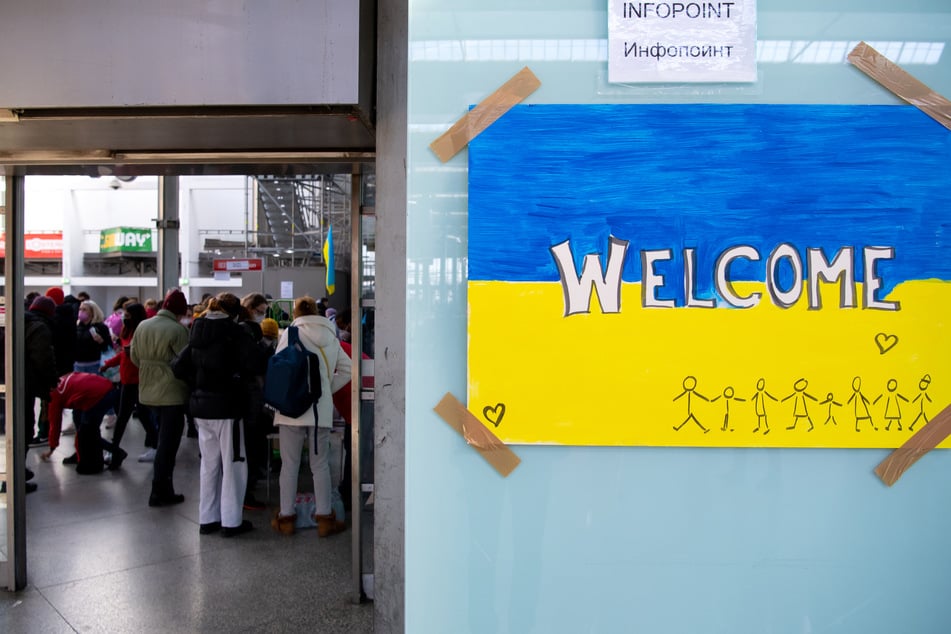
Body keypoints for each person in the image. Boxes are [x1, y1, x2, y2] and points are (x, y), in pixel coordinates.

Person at [271, 297, 351, 537]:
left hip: (290, 409)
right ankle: (325, 519)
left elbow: (279, 366)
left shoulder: (289, 333)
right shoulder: (330, 335)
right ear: (317, 312)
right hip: (319, 410)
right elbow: (348, 369)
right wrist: (325, 387)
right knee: (321, 465)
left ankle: (286, 517)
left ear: (295, 313)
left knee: (290, 466)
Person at [180, 293, 259, 536]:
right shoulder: (235, 333)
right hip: (228, 407)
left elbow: (178, 366)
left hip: (201, 408)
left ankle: (207, 518)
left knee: (209, 464)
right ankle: (231, 521)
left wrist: (199, 385)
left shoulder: (198, 330)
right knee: (233, 463)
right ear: (235, 313)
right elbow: (253, 365)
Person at [131, 289, 190, 507]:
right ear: (179, 311)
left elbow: (134, 357)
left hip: (147, 390)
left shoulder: (143, 325)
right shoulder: (177, 330)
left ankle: (161, 488)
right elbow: (185, 362)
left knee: (161, 440)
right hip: (171, 392)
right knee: (168, 444)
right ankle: (161, 490)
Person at [101, 302, 156, 463]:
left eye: (128, 315)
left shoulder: (142, 332)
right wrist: (108, 364)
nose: (124, 317)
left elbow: (139, 355)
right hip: (127, 380)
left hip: (136, 380)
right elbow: (123, 356)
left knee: (126, 416)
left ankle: (114, 449)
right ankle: (155, 446)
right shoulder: (127, 331)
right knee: (140, 415)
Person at [46, 372, 128, 474]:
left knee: (88, 433)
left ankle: (117, 452)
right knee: (81, 425)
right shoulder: (61, 379)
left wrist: (52, 447)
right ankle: (81, 454)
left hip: (98, 396)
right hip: (105, 388)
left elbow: (55, 423)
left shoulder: (53, 396)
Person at [23, 295, 59, 493]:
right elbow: (44, 359)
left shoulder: (19, 321)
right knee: (24, 429)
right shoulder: (40, 328)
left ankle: (15, 471)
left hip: (10, 383)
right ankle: (16, 475)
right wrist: (52, 381)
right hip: (25, 385)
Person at [74, 300, 111, 374]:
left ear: (92, 312)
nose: (81, 311)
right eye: (80, 309)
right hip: (78, 364)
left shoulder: (101, 327)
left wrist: (101, 341)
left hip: (94, 364)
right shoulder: (77, 326)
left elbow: (108, 346)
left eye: (84, 309)